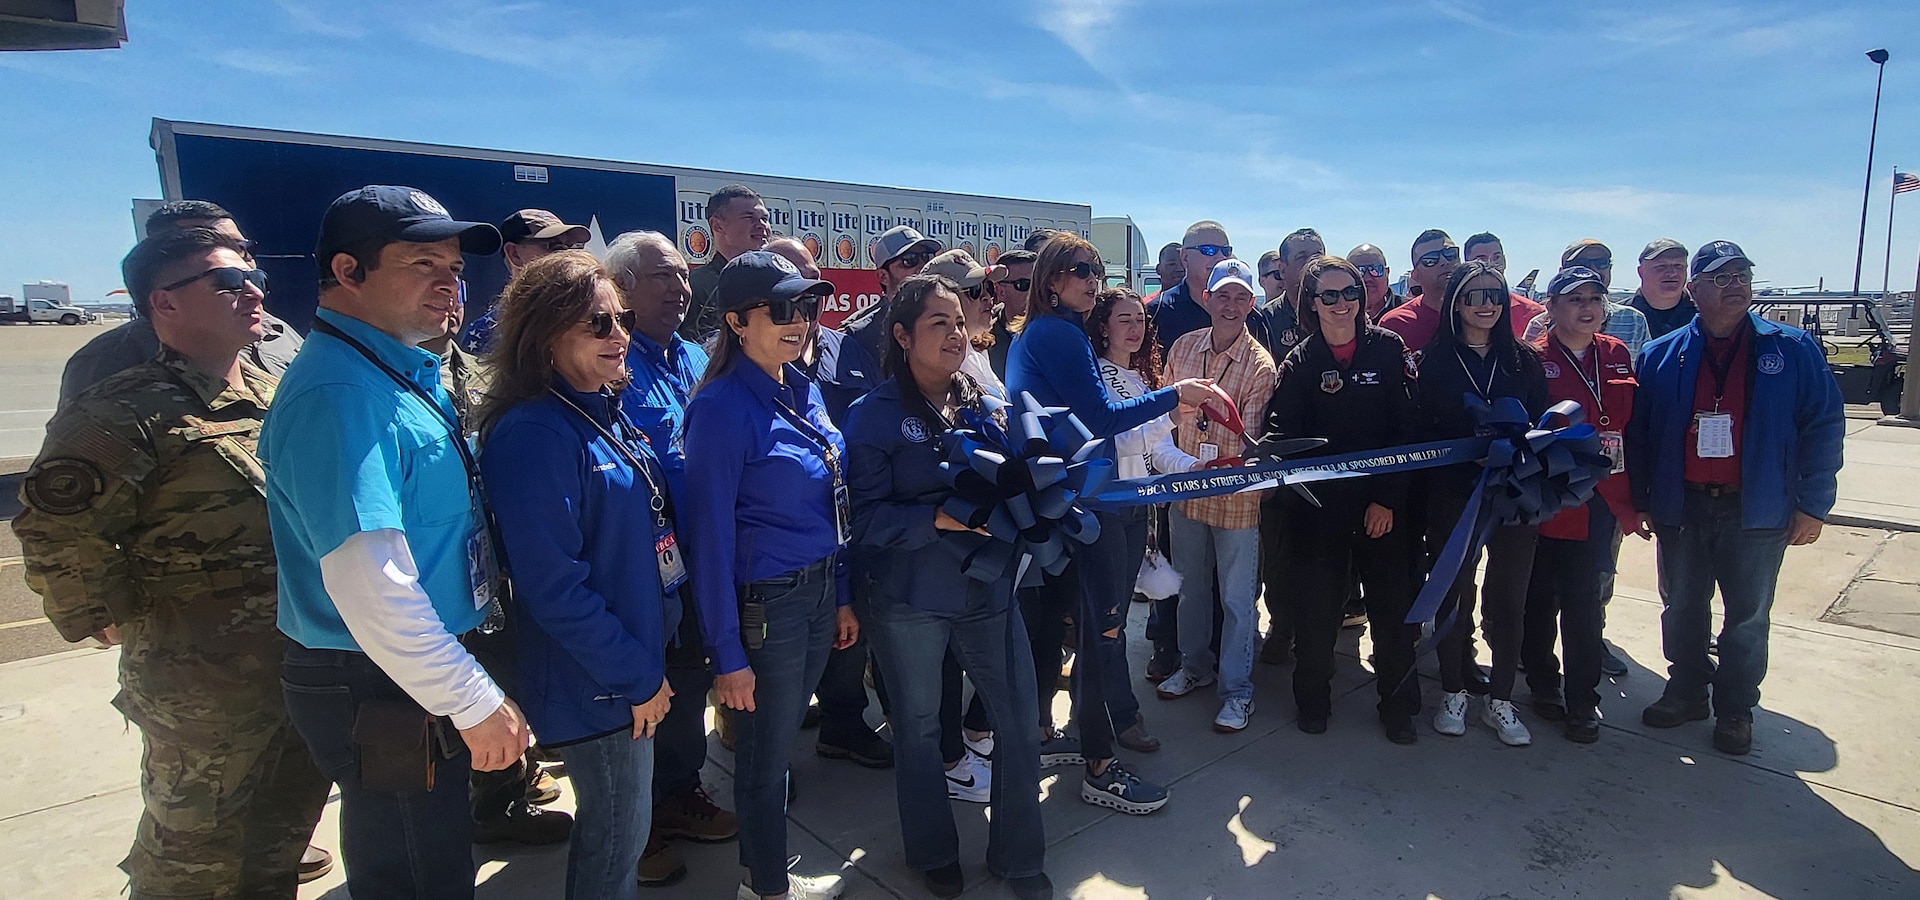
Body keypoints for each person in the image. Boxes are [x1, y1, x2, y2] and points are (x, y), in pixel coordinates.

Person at [16, 227, 332, 897]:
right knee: (193, 851)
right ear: (164, 303)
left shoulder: (274, 394)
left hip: (296, 659)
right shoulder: (121, 410)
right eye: (227, 283)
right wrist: (103, 616)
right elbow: (55, 531)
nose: (252, 292)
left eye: (255, 280)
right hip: (199, 685)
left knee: (281, 831)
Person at [263, 185, 524, 898]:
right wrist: (472, 697)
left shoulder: (394, 370)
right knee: (416, 872)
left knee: (427, 853)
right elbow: (370, 584)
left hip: (406, 669)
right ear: (348, 271)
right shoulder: (342, 394)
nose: (449, 285)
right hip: (379, 676)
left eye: (455, 268)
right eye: (421, 264)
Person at [476, 251, 677, 900]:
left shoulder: (597, 408)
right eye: (598, 322)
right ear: (546, 333)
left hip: (629, 661)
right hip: (599, 681)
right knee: (616, 840)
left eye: (622, 318)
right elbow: (553, 587)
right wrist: (637, 677)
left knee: (623, 830)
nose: (619, 334)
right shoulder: (534, 432)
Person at [847, 274, 1053, 900]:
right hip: (909, 598)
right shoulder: (871, 416)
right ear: (902, 336)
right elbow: (860, 519)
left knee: (1018, 723)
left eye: (960, 323)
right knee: (916, 728)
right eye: (939, 324)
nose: (956, 335)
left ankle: (1019, 855)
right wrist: (933, 517)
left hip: (987, 593)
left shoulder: (985, 405)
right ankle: (932, 850)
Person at [1006, 232, 1221, 814]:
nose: (1090, 280)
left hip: (1076, 501)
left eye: (1095, 270)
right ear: (1052, 279)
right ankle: (1101, 767)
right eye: (1078, 270)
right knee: (1104, 637)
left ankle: (1067, 739)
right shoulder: (1059, 333)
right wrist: (1178, 394)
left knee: (1071, 626)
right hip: (1092, 504)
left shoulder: (1043, 334)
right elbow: (1101, 416)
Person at [681, 250, 853, 900]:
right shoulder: (722, 409)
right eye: (779, 309)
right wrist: (727, 656)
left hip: (813, 593)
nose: (798, 321)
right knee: (761, 757)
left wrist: (838, 595)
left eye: (805, 307)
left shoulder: (800, 387)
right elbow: (711, 541)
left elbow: (830, 502)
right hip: (766, 607)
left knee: (778, 752)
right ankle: (766, 886)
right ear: (735, 321)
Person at [1627, 241, 1844, 756]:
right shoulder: (1661, 355)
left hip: (1758, 507)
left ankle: (1736, 707)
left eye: (1741, 275)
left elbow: (1823, 425)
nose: (1734, 286)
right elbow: (1641, 436)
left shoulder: (1791, 349)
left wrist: (1813, 503)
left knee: (1747, 614)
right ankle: (1685, 691)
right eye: (1720, 278)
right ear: (1694, 289)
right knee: (1681, 605)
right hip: (1685, 504)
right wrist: (1640, 500)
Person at [604, 230, 738, 885]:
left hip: (699, 559)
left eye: (684, 276)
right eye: (662, 276)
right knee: (645, 693)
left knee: (688, 684)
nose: (680, 287)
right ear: (621, 286)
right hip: (638, 566)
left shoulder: (694, 356)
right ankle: (639, 820)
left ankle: (681, 793)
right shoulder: (613, 362)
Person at [1262, 256, 1423, 743]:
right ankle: (1313, 701)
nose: (1341, 303)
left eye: (1349, 292)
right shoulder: (1301, 360)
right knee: (1316, 615)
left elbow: (1406, 431)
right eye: (1328, 295)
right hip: (1319, 512)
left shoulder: (1389, 349)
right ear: (1312, 302)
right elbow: (1280, 429)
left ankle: (1398, 708)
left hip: (1382, 509)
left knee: (1393, 616)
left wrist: (1387, 500)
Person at [770, 236, 896, 774]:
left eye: (813, 281)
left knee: (850, 632)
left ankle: (843, 724)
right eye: (792, 281)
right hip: (785, 544)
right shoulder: (744, 371)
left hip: (850, 519)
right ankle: (767, 772)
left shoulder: (844, 347)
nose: (808, 297)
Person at [1416, 260, 1549, 747]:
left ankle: (1502, 699)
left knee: (1509, 597)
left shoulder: (1524, 361)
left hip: (1513, 495)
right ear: (1455, 303)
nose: (1486, 304)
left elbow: (1544, 423)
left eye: (1495, 294)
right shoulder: (1431, 362)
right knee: (1454, 594)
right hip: (1454, 496)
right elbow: (1420, 432)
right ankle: (1454, 689)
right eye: (1474, 296)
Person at [1155, 259, 1278, 735]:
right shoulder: (1183, 348)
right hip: (1187, 487)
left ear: (1252, 303)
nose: (1230, 305)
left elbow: (1251, 439)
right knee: (1190, 587)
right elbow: (1165, 417)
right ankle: (1194, 666)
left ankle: (1237, 691)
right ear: (1206, 298)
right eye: (1221, 295)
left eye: (1240, 297)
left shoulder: (1259, 366)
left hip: (1236, 499)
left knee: (1237, 598)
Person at [1522, 266, 1640, 744]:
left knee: (1585, 600)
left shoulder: (1615, 354)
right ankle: (1543, 684)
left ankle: (1583, 699)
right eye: (1575, 299)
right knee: (1538, 598)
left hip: (1599, 499)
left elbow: (1634, 427)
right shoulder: (1532, 359)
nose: (1588, 307)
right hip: (1547, 497)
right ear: (1550, 308)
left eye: (1595, 298)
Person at [60, 200, 304, 407]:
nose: (236, 259)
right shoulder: (109, 359)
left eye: (241, 248)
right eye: (204, 244)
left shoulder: (279, 333)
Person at [1086, 287, 1197, 698]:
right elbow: (1118, 445)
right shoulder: (1096, 376)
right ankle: (1108, 710)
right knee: (1107, 618)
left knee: (1115, 620)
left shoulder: (1143, 376)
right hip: (1109, 508)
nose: (1135, 328)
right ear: (1103, 327)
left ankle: (1110, 707)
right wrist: (1168, 416)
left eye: (1140, 319)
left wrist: (1194, 469)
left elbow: (1158, 448)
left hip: (1140, 510)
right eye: (1124, 320)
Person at [461, 208, 590, 353]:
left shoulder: (588, 318)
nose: (566, 256)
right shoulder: (485, 332)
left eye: (570, 247)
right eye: (554, 246)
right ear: (514, 254)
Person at [1520, 240, 1653, 357]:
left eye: (1601, 263)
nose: (1593, 269)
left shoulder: (1634, 320)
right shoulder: (1539, 324)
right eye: (1581, 263)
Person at [840, 224, 943, 363]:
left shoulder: (947, 319)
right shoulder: (858, 335)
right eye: (910, 260)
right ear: (883, 276)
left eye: (926, 257)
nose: (921, 267)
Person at [685, 184, 772, 341]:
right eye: (749, 218)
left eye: (764, 218)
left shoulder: (777, 283)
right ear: (717, 225)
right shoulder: (693, 286)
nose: (762, 226)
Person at [926, 247, 1008, 398]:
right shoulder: (939, 365)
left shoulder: (977, 351)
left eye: (988, 287)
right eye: (975, 289)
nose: (987, 297)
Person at [1379, 229, 1461, 367]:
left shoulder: (1483, 310)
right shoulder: (1395, 324)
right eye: (1430, 260)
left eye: (1450, 254)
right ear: (1416, 276)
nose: (1444, 261)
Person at [1463, 232, 1547, 332]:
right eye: (1481, 259)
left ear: (1504, 260)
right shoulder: (1457, 310)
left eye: (1496, 257)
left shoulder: (1532, 313)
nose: (1491, 263)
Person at [1631, 238, 1696, 340]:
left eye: (1678, 266)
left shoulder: (1704, 316)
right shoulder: (1621, 317)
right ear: (1641, 272)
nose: (1672, 273)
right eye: (1661, 266)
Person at [987, 248, 1037, 378]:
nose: (1036, 292)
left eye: (1040, 284)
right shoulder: (983, 334)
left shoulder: (1058, 331)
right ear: (1000, 291)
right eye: (1025, 284)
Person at [1348, 243, 1405, 319]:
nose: (1367, 278)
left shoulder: (1411, 312)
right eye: (1359, 271)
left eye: (1375, 269)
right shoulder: (1338, 313)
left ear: (1387, 272)